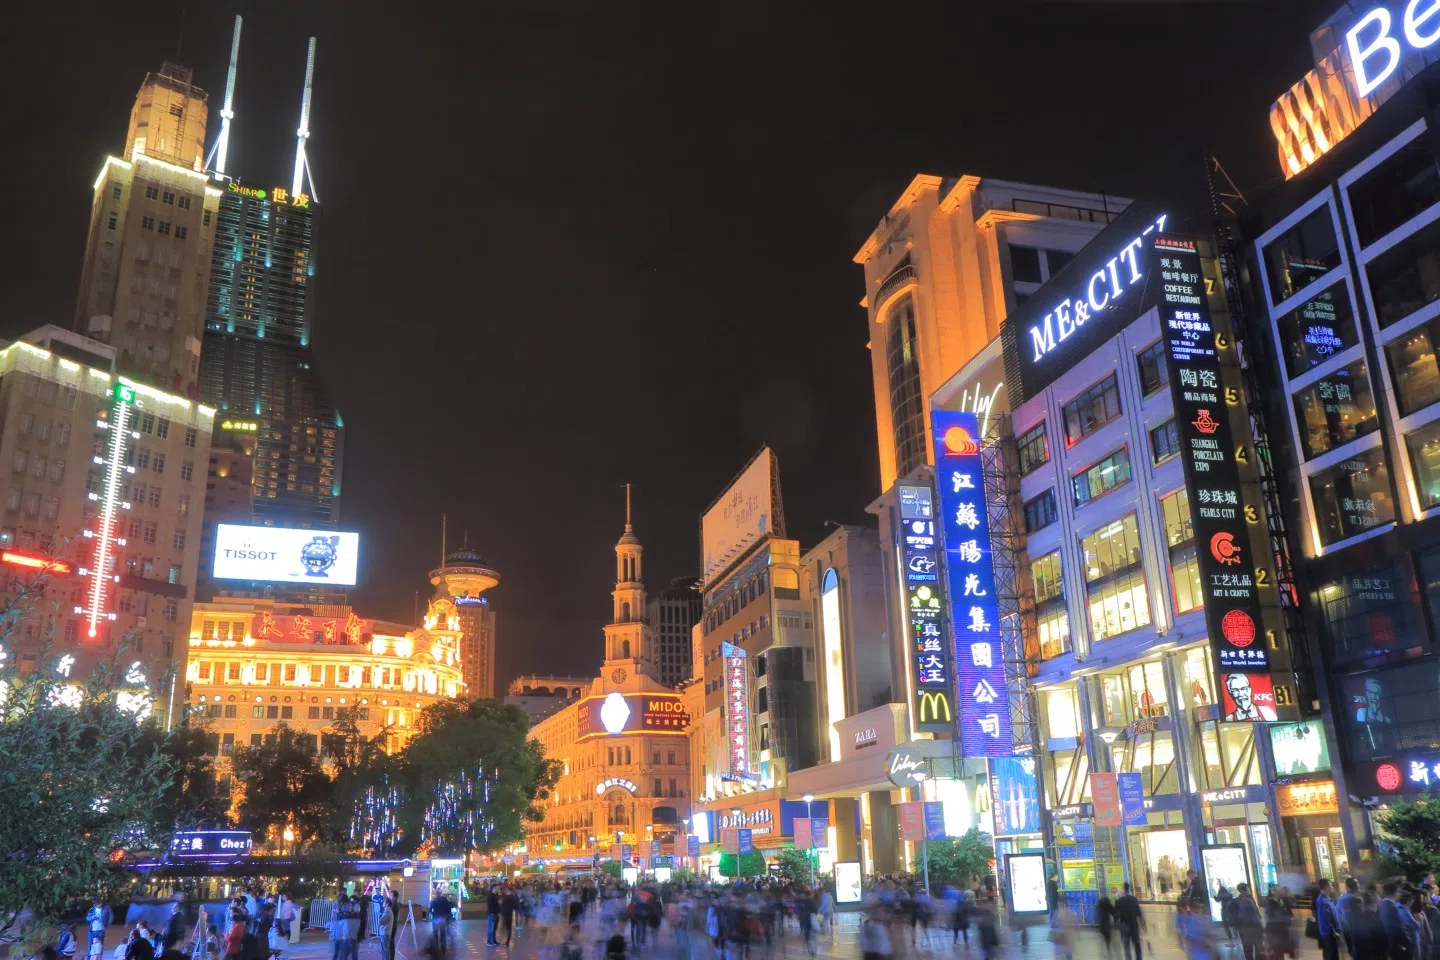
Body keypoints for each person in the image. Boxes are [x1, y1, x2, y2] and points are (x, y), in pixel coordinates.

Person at [1114, 883, 1145, 960]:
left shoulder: (1119, 900)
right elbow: (1139, 912)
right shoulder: (1134, 899)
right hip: (1134, 925)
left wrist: (1117, 922)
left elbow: (1116, 915)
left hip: (1125, 926)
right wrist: (1143, 923)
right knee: (1137, 945)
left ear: (1124, 889)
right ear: (1129, 888)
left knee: (1127, 947)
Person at [1235, 884, 1263, 960]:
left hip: (1250, 925)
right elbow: (1254, 910)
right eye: (1247, 888)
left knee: (1252, 946)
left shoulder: (1246, 898)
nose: (1249, 890)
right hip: (1249, 925)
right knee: (1253, 946)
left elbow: (1256, 911)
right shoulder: (1243, 899)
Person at [1314, 878, 1341, 960]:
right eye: (1330, 885)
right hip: (1328, 933)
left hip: (1330, 932)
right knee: (1332, 956)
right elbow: (1325, 919)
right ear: (1326, 887)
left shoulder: (1326, 899)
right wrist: (1333, 931)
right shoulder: (1322, 900)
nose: (1332, 886)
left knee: (1331, 954)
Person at [1337, 877, 1363, 954]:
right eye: (1356, 884)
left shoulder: (1344, 898)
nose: (1358, 885)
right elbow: (1346, 916)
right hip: (1351, 930)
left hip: (1350, 929)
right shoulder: (1349, 899)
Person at [429, 886, 452, 955]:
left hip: (435, 919)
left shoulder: (433, 901)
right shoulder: (445, 900)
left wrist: (432, 914)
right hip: (442, 919)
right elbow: (448, 909)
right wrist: (448, 916)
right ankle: (443, 949)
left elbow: (430, 910)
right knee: (443, 935)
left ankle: (436, 949)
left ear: (436, 894)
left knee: (435, 934)